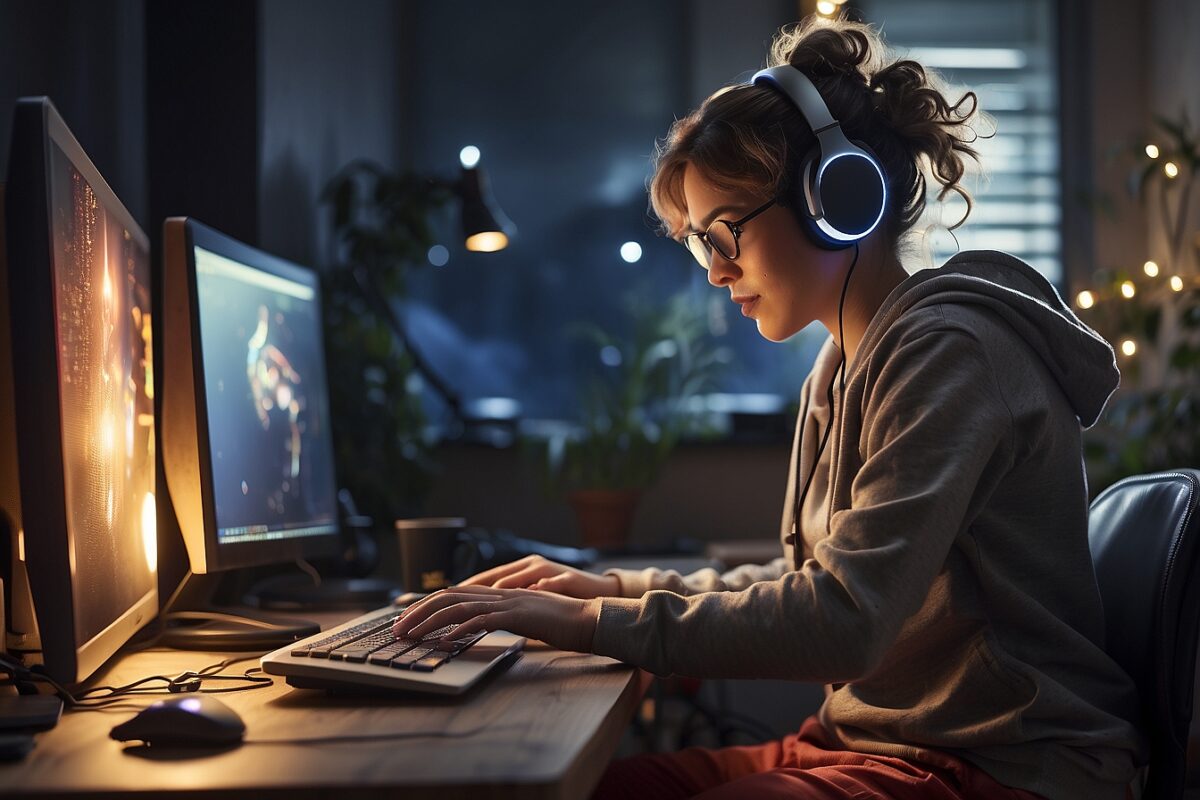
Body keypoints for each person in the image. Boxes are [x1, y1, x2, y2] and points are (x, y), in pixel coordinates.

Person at [392, 14, 1147, 800]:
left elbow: (843, 620)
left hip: (1000, 763)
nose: (716, 273)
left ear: (836, 199)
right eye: (698, 244)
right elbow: (807, 580)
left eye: (725, 234)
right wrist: (608, 591)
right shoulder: (843, 363)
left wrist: (593, 627)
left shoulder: (950, 354)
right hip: (873, 741)